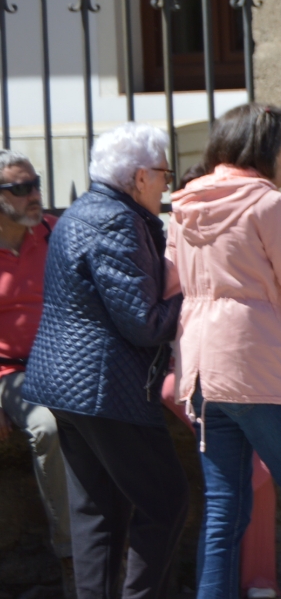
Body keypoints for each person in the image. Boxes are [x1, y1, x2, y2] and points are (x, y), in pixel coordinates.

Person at [168, 102, 281, 599]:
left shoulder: (185, 204)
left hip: (199, 364)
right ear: (265, 150)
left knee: (225, 508)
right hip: (253, 360)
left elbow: (172, 279)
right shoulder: (269, 205)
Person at [24, 123, 187, 599]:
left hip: (65, 388)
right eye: (163, 173)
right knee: (166, 501)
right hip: (104, 389)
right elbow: (145, 322)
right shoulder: (116, 220)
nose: (166, 184)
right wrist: (199, 293)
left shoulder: (80, 212)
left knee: (99, 511)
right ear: (140, 177)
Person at [0, 150, 73, 583]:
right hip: (13, 372)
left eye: (36, 184)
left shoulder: (55, 233)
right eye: (20, 188)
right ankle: (71, 558)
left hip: (67, 364)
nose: (34, 196)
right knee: (47, 428)